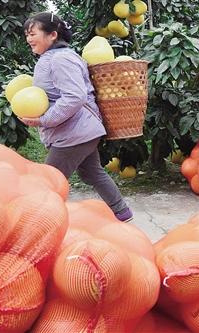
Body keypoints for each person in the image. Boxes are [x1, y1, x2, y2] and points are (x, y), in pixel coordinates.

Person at [19, 12, 133, 222]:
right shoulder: (54, 58)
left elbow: (74, 96)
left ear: (52, 35)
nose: (28, 39)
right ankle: (122, 213)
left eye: (33, 33)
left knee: (48, 181)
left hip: (75, 133)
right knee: (92, 173)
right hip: (81, 130)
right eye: (27, 34)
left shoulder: (61, 58)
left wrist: (45, 119)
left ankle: (38, 225)